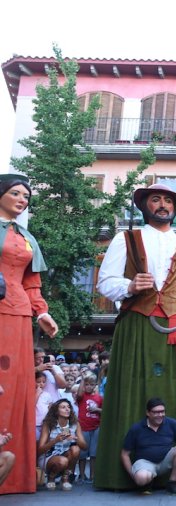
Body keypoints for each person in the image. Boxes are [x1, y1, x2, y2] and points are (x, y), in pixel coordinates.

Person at [94, 183, 176, 490]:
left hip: (172, 326)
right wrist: (129, 286)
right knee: (130, 387)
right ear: (145, 205)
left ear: (175, 208)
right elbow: (105, 282)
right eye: (155, 199)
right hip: (136, 321)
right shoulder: (125, 238)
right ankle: (122, 474)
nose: (162, 204)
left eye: (168, 200)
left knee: (170, 389)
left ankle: (173, 474)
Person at [0, 174, 59, 495]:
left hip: (20, 312)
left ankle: (14, 474)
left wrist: (43, 312)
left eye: (26, 196)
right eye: (15, 193)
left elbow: (31, 283)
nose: (23, 200)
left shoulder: (26, 237)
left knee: (17, 386)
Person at [120, 398, 176, 496]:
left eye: (162, 412)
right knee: (141, 478)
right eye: (156, 412)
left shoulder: (172, 423)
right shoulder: (136, 428)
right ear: (148, 413)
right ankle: (147, 483)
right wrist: (133, 475)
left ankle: (172, 483)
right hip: (145, 463)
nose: (160, 415)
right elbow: (125, 454)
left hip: (166, 461)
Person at [37, 399, 87, 491]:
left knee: (76, 449)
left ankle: (65, 478)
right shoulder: (49, 424)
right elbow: (39, 450)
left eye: (68, 407)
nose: (67, 409)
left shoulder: (74, 424)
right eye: (63, 407)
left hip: (65, 454)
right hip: (49, 457)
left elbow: (84, 447)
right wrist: (55, 440)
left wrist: (75, 437)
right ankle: (51, 478)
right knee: (62, 461)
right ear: (56, 411)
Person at [76, 372, 103, 483]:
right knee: (82, 453)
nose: (88, 387)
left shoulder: (99, 398)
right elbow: (78, 394)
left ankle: (92, 476)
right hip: (83, 428)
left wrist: (96, 410)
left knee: (93, 453)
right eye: (86, 384)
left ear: (95, 385)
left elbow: (104, 410)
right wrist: (83, 379)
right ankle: (82, 476)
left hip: (95, 427)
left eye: (91, 384)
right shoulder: (82, 397)